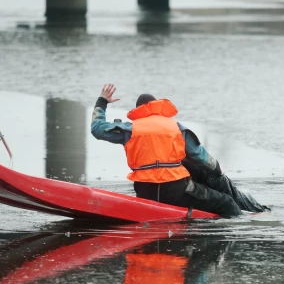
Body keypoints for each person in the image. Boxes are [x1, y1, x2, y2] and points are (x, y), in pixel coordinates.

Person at [91, 84, 269, 218]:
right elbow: (201, 157)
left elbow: (97, 128)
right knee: (228, 203)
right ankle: (237, 234)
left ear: (139, 110)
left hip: (145, 192)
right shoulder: (176, 128)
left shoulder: (130, 129)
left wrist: (102, 101)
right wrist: (218, 171)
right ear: (156, 106)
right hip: (175, 192)